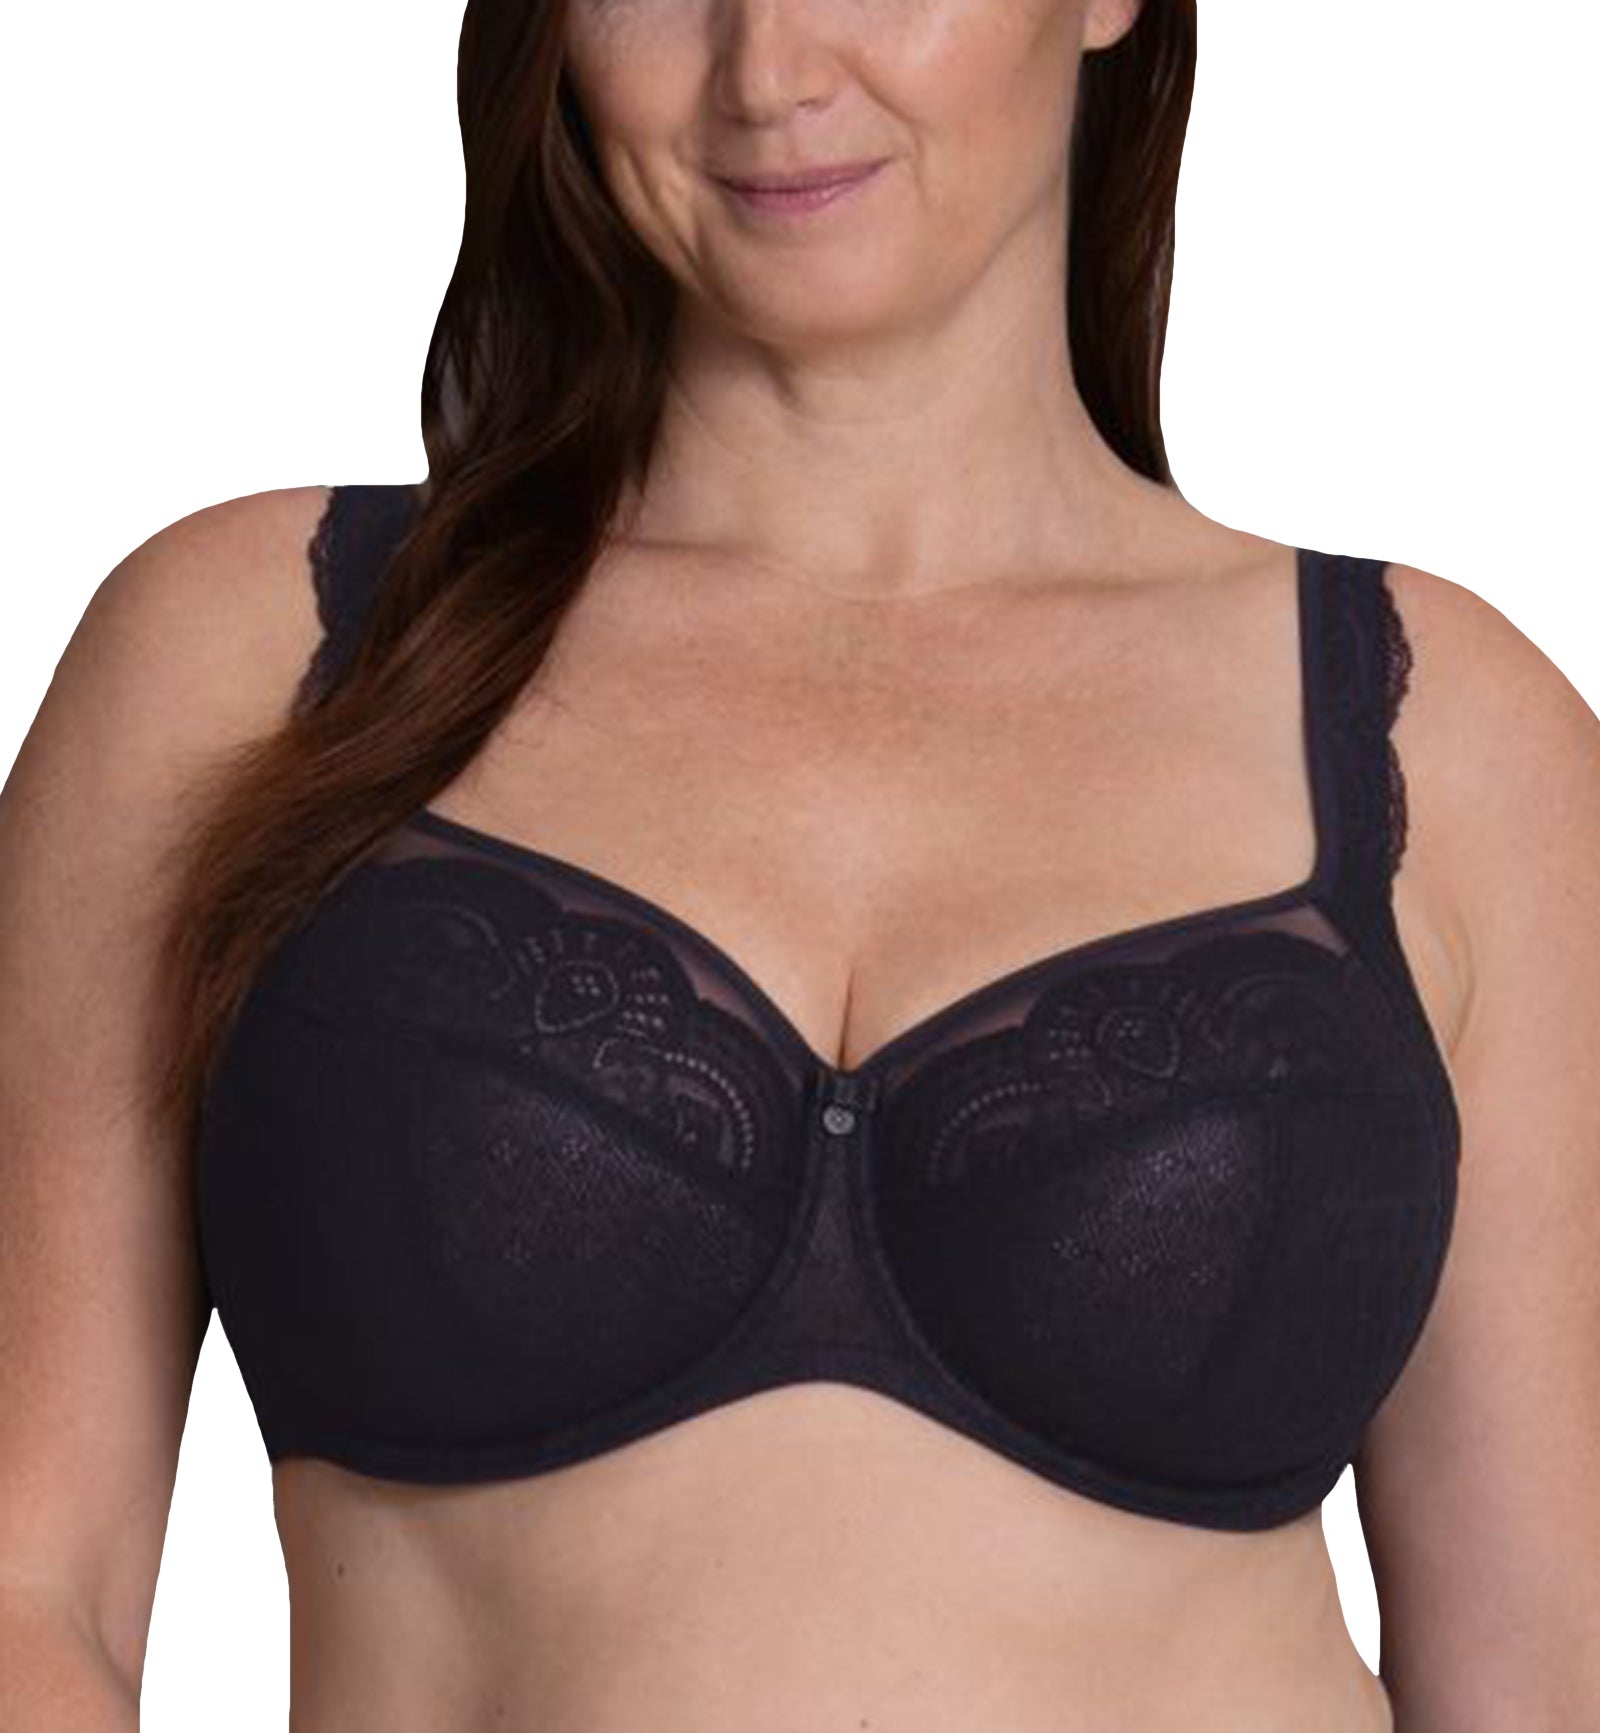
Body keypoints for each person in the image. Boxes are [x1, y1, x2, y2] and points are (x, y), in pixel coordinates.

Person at [3, 0, 1598, 1727]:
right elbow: (33, 1587)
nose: (767, 70)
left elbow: (1543, 1670)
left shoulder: (1447, 739)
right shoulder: (253, 658)